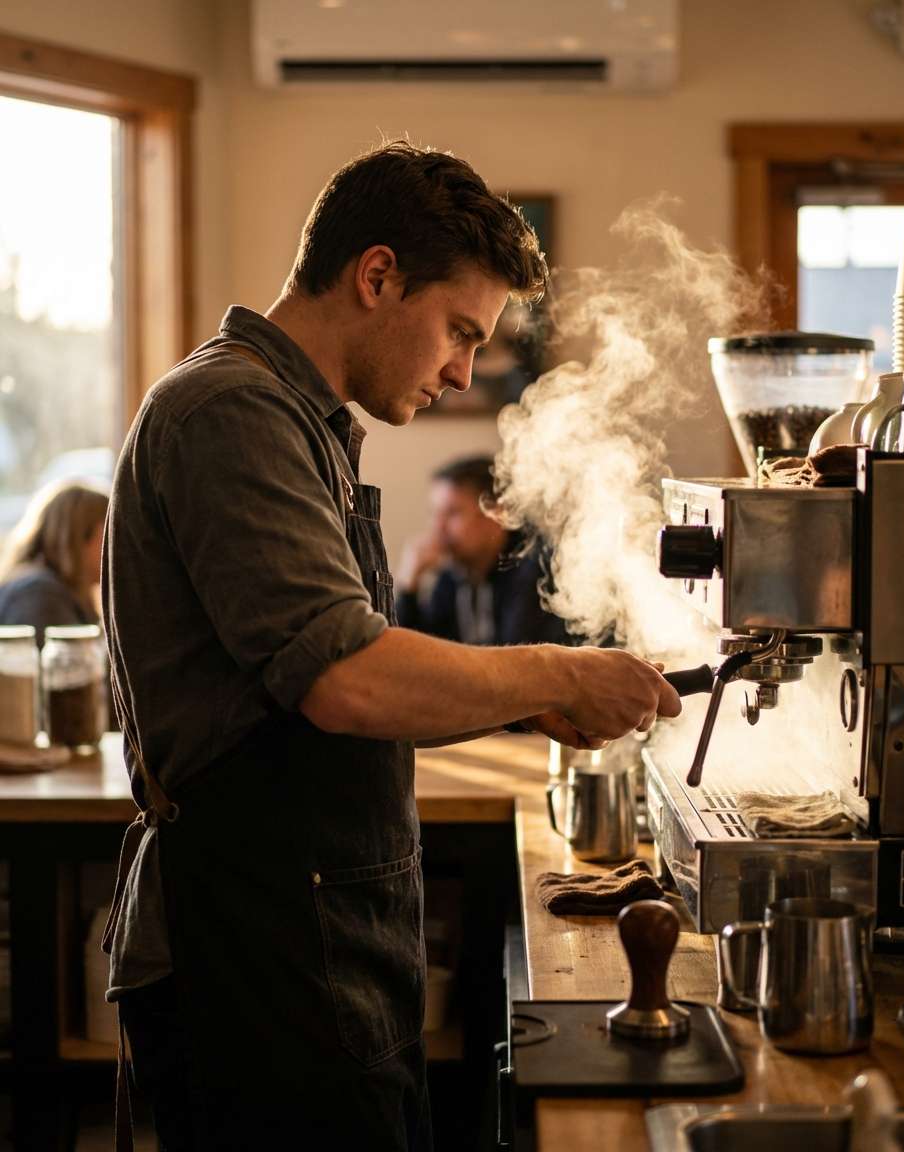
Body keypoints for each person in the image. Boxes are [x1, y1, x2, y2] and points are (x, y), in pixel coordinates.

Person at [103, 140, 681, 1152]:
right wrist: (552, 670)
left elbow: (341, 660)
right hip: (255, 942)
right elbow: (343, 680)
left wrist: (513, 699)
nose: (464, 372)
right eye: (459, 331)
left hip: (315, 929)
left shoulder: (304, 418)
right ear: (377, 276)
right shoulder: (229, 409)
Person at [397, 455, 571, 645]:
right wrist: (408, 587)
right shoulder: (452, 577)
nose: (438, 528)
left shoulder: (535, 571)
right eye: (434, 514)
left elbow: (516, 661)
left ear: (496, 514)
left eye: (452, 513)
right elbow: (417, 655)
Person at [0, 481, 108, 645]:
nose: (117, 549)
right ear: (79, 538)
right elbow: (69, 666)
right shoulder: (39, 593)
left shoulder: (53, 590)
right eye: (109, 536)